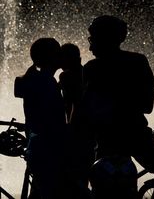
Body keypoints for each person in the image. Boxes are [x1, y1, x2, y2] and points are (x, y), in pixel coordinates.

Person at [82, 15, 154, 198]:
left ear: (105, 39)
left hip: (106, 138)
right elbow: (147, 106)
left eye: (93, 39)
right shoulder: (137, 62)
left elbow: (88, 109)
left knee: (101, 184)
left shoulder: (91, 69)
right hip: (135, 133)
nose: (90, 45)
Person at [14, 38, 68, 199]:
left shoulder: (35, 78)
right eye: (58, 53)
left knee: (40, 191)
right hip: (47, 147)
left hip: (37, 145)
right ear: (51, 57)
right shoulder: (46, 82)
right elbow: (51, 119)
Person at [59, 43, 94, 199]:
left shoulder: (66, 76)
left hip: (77, 131)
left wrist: (69, 129)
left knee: (73, 175)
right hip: (91, 131)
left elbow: (75, 103)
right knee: (84, 173)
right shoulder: (85, 72)